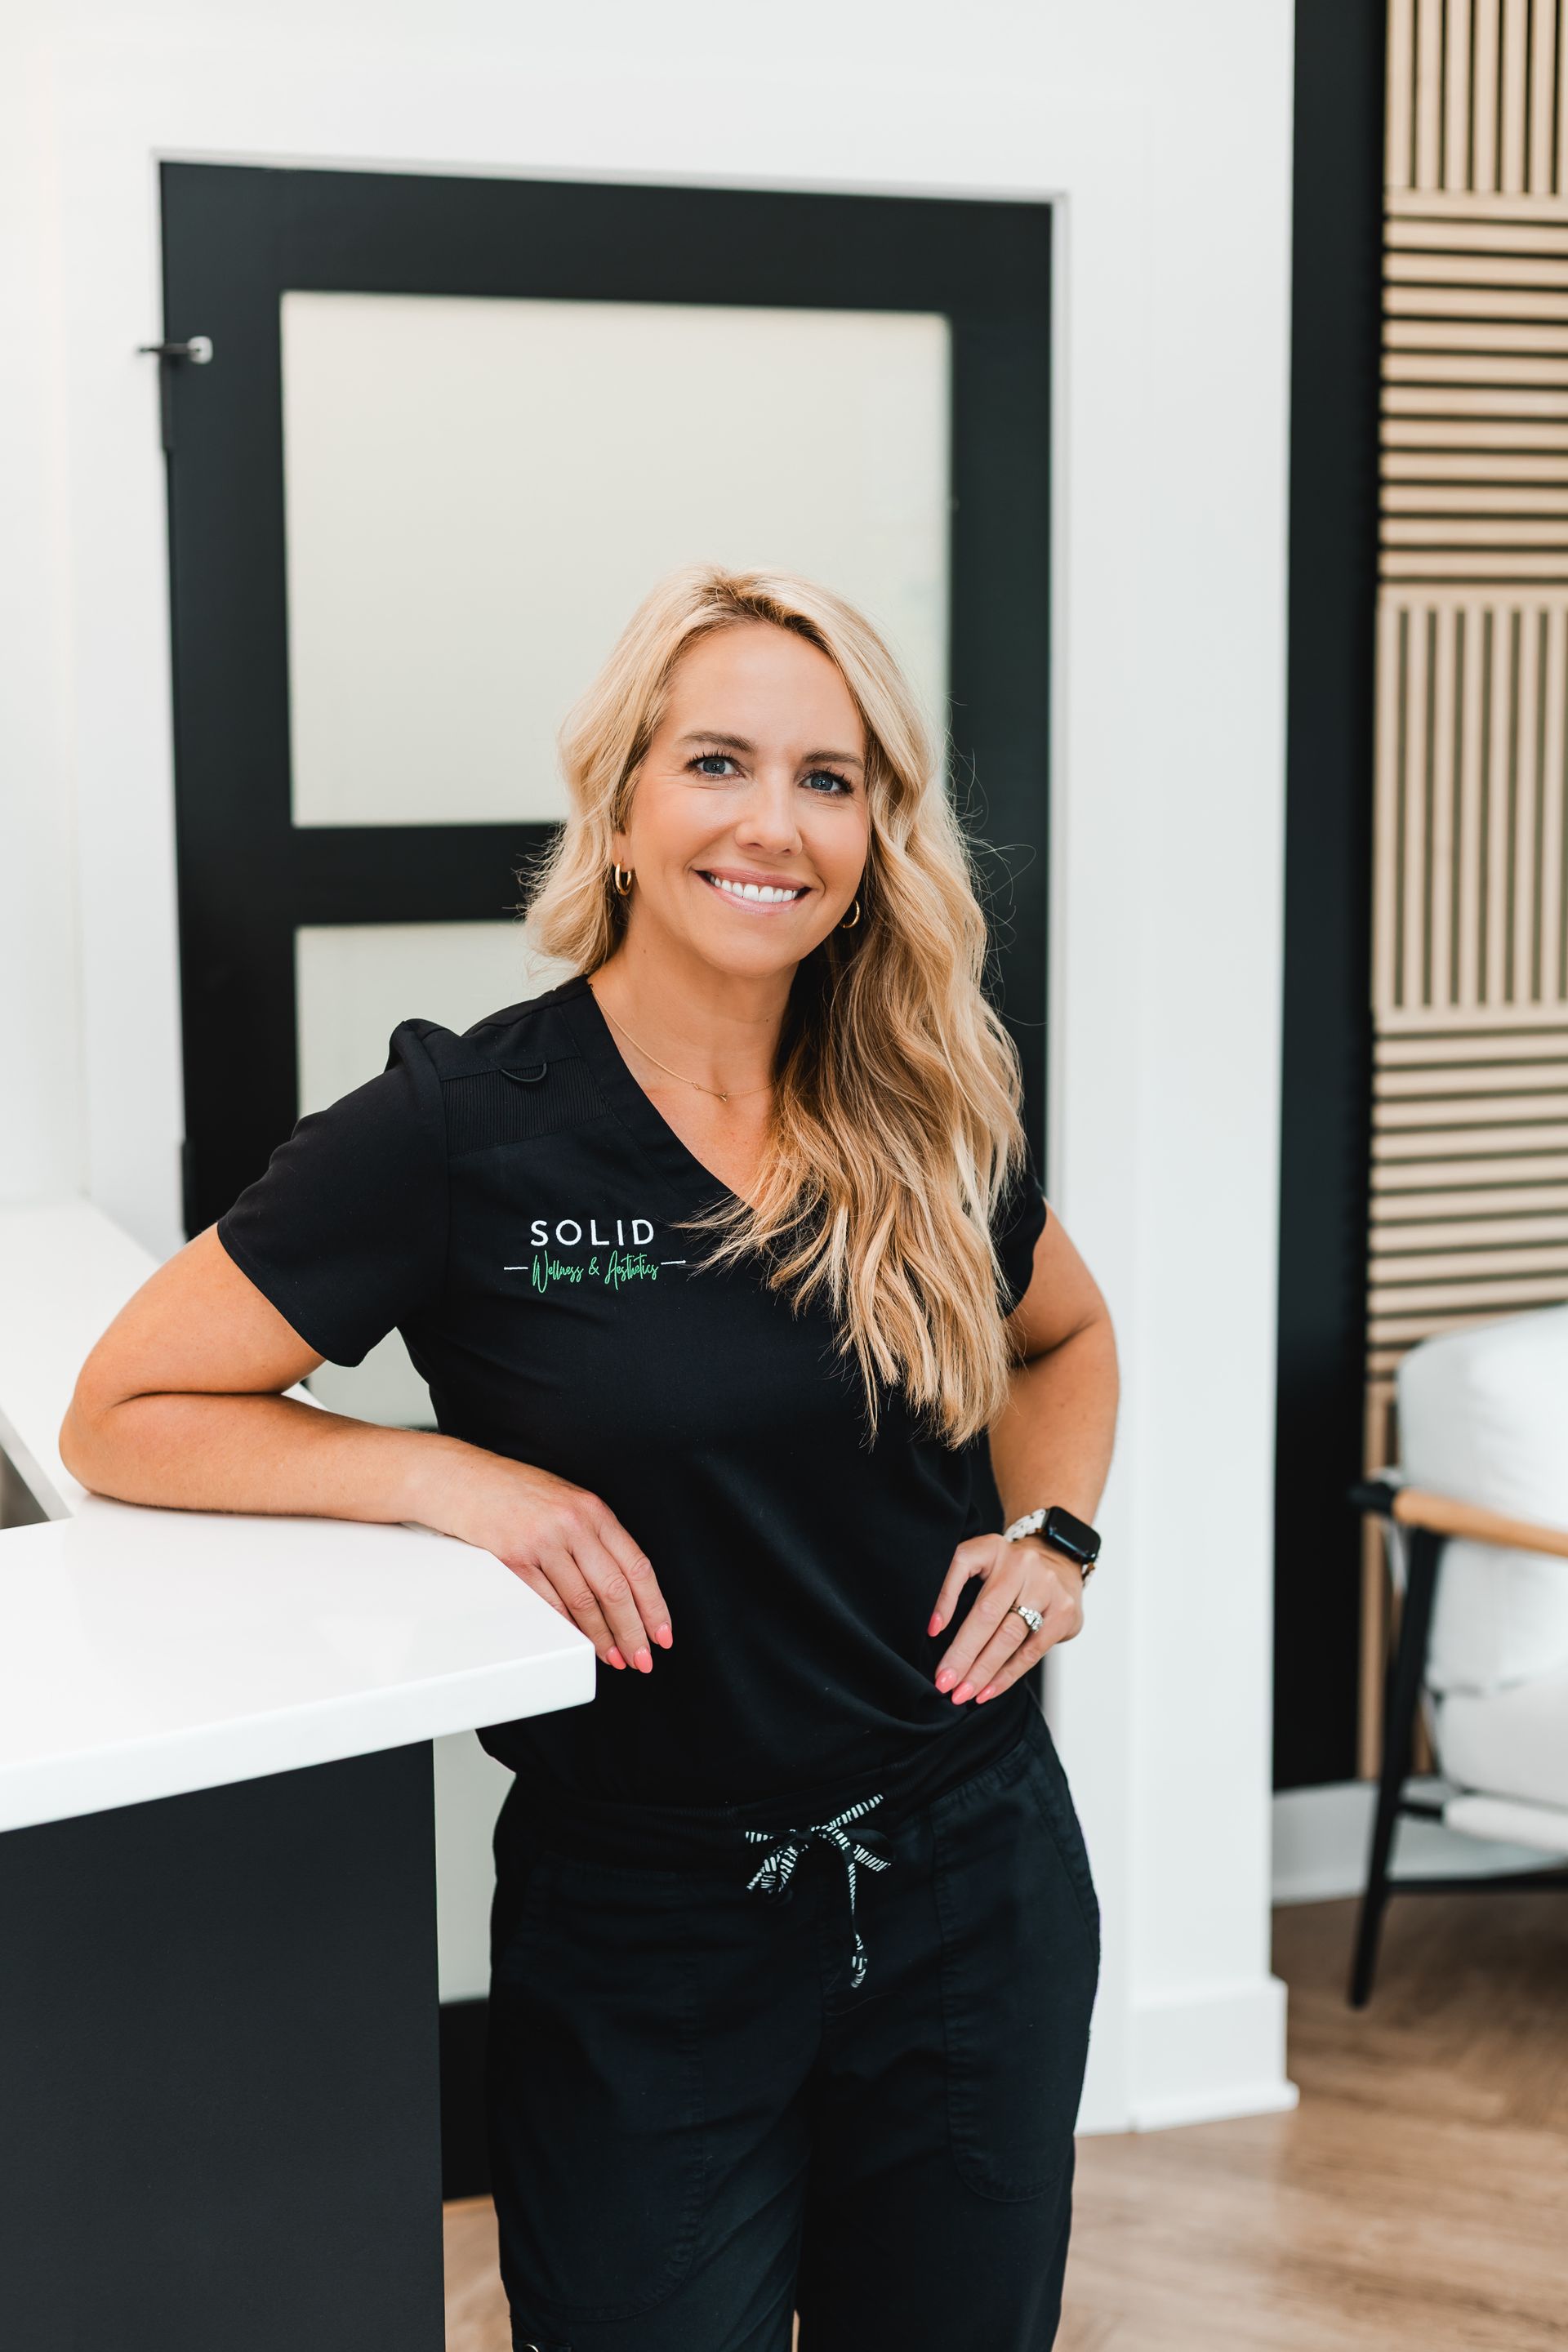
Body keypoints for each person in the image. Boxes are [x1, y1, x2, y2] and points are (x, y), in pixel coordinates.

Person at [60, 565, 1119, 2352]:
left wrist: (1058, 1535)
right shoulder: (464, 1129)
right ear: (623, 802)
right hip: (650, 1932)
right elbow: (126, 1412)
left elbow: (1063, 1338)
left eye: (829, 778)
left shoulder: (918, 1102)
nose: (772, 825)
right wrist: (453, 1478)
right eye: (718, 763)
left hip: (973, 1889)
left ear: (876, 830)